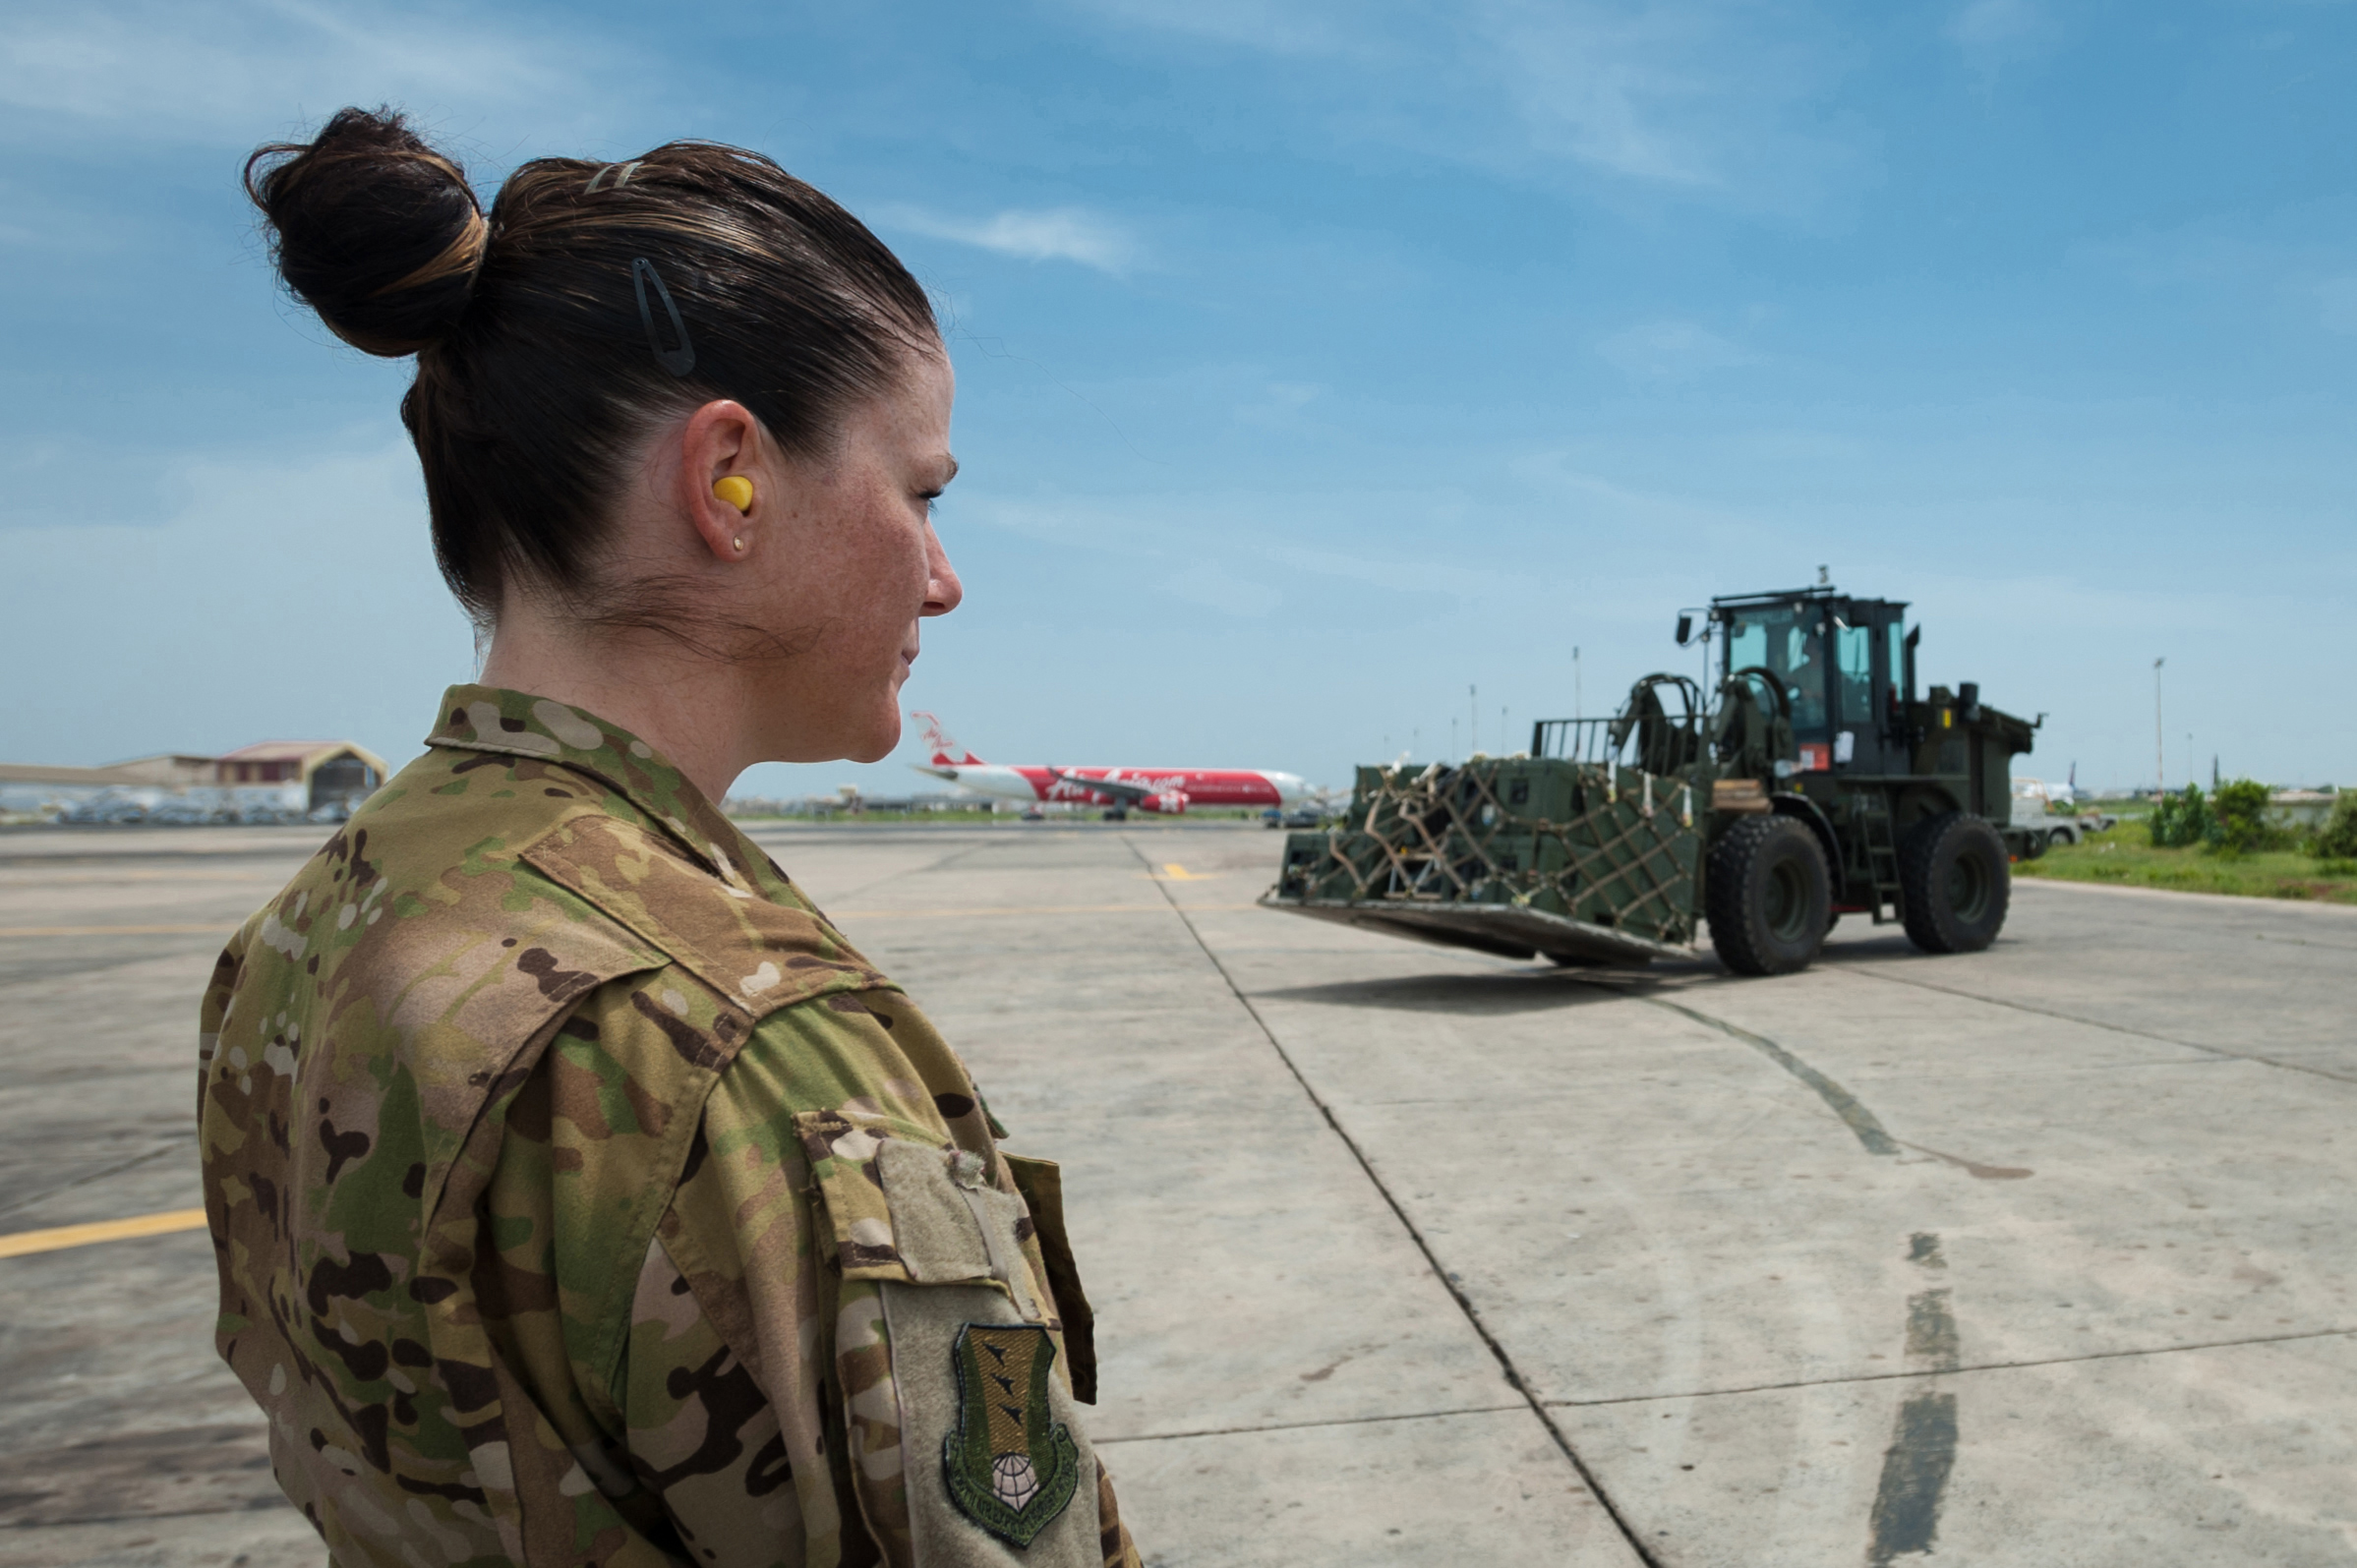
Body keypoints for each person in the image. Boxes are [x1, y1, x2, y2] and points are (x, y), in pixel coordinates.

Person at [199, 107, 1141, 1568]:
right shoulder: (740, 1052)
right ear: (727, 480)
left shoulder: (314, 923)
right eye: (921, 492)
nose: (943, 578)